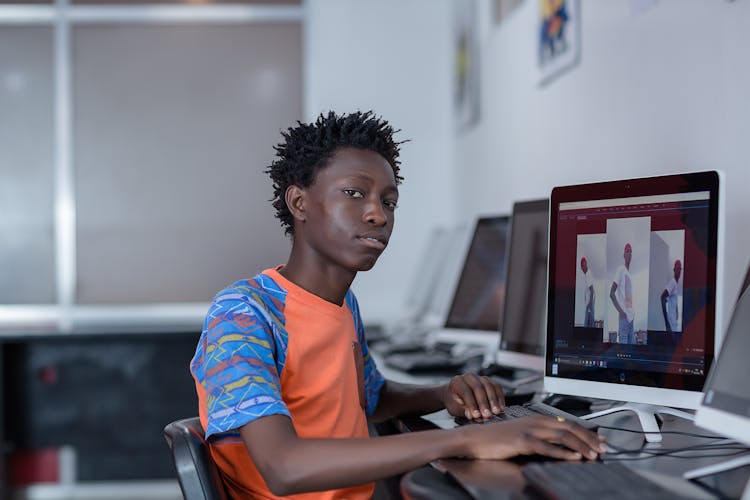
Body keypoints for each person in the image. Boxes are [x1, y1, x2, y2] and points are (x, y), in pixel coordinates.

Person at [190, 111, 605, 499]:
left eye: (389, 201)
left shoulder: (343, 305)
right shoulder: (244, 312)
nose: (377, 214)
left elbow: (370, 398)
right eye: (355, 193)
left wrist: (444, 394)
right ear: (299, 203)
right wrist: (463, 439)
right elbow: (284, 467)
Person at [610, 242, 635, 344]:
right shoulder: (621, 270)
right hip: (624, 319)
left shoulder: (629, 275)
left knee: (630, 355)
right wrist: (621, 311)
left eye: (630, 252)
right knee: (623, 353)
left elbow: (628, 298)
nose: (629, 254)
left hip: (631, 319)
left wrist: (632, 312)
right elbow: (611, 293)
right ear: (624, 255)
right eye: (627, 251)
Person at [661, 259, 682, 333]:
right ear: (674, 270)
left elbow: (672, 300)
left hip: (674, 324)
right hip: (670, 325)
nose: (679, 271)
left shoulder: (675, 284)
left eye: (680, 268)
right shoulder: (672, 283)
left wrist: (677, 313)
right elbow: (662, 297)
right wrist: (666, 321)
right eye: (677, 268)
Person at [580, 257, 595, 327]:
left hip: (589, 304)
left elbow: (592, 290)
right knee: (588, 324)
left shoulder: (588, 274)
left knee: (588, 325)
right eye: (581, 266)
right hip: (589, 303)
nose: (582, 268)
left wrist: (589, 305)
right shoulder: (587, 274)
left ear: (586, 265)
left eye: (583, 265)